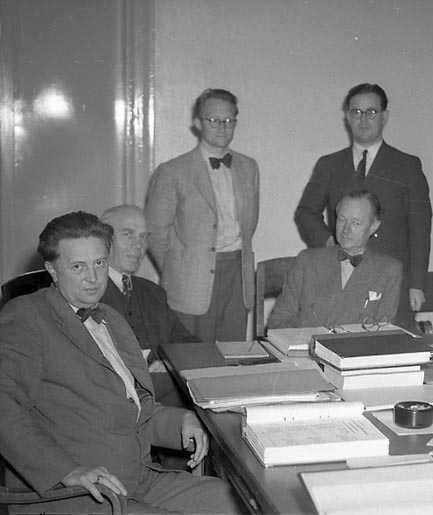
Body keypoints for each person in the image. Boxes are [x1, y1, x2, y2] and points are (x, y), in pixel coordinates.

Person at [0, 211, 242, 514]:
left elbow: (131, 408)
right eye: (78, 266)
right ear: (52, 270)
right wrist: (68, 471)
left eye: (99, 263)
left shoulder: (111, 320)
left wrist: (180, 422)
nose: (93, 277)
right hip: (75, 493)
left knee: (237, 503)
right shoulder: (26, 316)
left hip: (138, 480)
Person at [294, 83, 431, 330]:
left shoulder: (407, 165)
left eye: (371, 112)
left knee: (392, 346)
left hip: (392, 281)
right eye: (356, 112)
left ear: (384, 116)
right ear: (347, 117)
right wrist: (329, 243)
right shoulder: (329, 165)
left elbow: (420, 227)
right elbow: (305, 213)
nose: (363, 119)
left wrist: (417, 284)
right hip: (341, 276)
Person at [146, 88, 259, 344]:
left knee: (232, 353)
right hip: (191, 281)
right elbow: (155, 234)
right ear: (198, 123)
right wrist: (181, 269)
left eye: (229, 120)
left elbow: (249, 224)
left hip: (238, 277)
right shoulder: (173, 171)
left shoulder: (249, 167)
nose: (222, 127)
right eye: (214, 120)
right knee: (193, 356)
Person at [100, 204, 201, 407]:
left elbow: (188, 342)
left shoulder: (151, 291)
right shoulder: (90, 292)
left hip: (165, 398)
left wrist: (171, 363)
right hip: (122, 400)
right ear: (104, 239)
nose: (138, 245)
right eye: (128, 234)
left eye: (143, 237)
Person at [270, 190, 402, 329]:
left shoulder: (389, 270)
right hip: (305, 342)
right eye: (341, 220)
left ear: (373, 227)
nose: (346, 230)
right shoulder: (307, 261)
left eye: (356, 223)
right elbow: (278, 321)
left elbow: (383, 331)